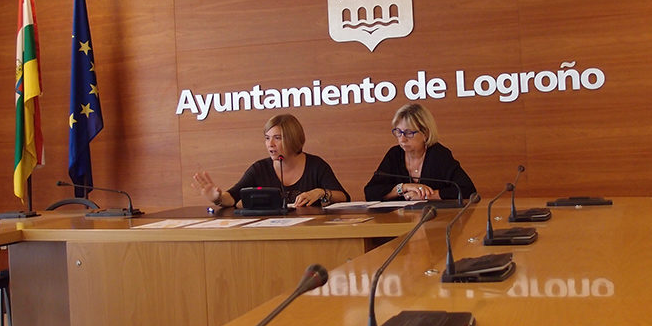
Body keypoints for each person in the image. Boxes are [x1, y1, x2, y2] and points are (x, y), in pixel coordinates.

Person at [193, 114, 350, 208]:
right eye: (267, 138)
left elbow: (343, 197)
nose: (270, 144)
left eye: (277, 138)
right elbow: (233, 197)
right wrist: (218, 198)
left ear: (293, 138)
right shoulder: (259, 168)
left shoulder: (316, 165)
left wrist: (320, 192)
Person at [364, 103, 476, 201]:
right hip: (400, 221)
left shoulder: (438, 154)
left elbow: (467, 190)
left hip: (434, 219)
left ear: (425, 133)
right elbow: (370, 193)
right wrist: (403, 187)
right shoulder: (394, 154)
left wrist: (427, 196)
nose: (402, 139)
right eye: (398, 132)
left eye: (408, 133)